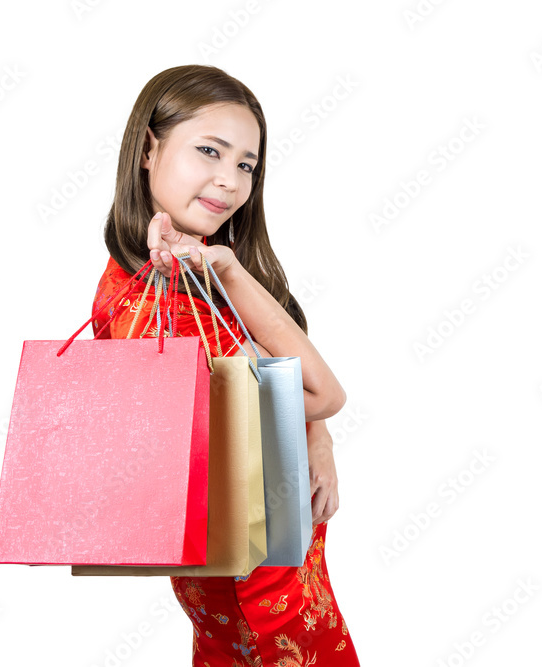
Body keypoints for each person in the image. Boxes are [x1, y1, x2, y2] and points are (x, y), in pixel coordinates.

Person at [88, 64, 361, 665]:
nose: (230, 180)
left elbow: (283, 398)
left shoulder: (198, 275)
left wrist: (319, 440)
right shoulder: (158, 303)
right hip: (258, 586)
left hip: (272, 561)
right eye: (208, 151)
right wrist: (230, 273)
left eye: (246, 164)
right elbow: (318, 391)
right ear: (147, 149)